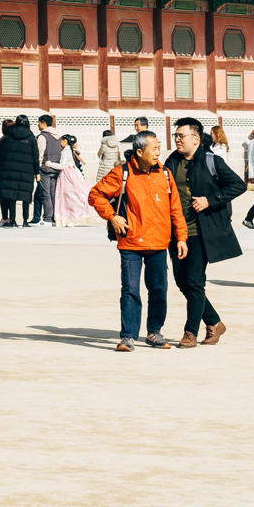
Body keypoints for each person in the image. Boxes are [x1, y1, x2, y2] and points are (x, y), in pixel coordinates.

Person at [89, 132, 187, 351]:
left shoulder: (165, 174)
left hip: (159, 243)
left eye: (159, 147)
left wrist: (181, 237)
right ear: (140, 152)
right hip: (131, 243)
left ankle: (154, 332)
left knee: (159, 289)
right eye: (154, 149)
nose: (158, 152)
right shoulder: (122, 173)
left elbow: (175, 209)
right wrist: (112, 216)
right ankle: (128, 336)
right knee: (130, 289)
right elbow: (96, 194)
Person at [164, 116, 244, 347]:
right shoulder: (171, 161)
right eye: (175, 136)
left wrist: (211, 200)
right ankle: (214, 322)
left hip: (202, 232)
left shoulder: (212, 161)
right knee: (182, 281)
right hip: (177, 232)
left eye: (181, 136)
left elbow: (237, 185)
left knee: (194, 281)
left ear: (196, 139)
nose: (177, 140)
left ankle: (190, 332)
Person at [0, 115, 41, 227]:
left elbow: (1, 154)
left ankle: (13, 221)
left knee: (12, 196)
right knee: (25, 196)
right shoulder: (31, 137)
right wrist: (37, 172)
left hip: (9, 170)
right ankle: (25, 221)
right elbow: (35, 156)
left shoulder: (9, 136)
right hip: (27, 171)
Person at [52, 134, 96, 226]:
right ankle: (71, 218)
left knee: (69, 198)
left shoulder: (65, 151)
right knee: (72, 197)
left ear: (65, 141)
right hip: (70, 175)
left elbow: (62, 165)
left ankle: (70, 218)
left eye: (61, 141)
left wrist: (49, 164)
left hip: (66, 177)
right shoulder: (69, 150)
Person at [33, 115, 63, 226]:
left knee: (45, 194)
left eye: (39, 122)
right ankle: (54, 217)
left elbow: (40, 155)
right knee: (52, 194)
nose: (38, 125)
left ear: (44, 123)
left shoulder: (42, 137)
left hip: (44, 169)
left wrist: (37, 169)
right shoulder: (58, 137)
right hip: (54, 169)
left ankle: (47, 218)